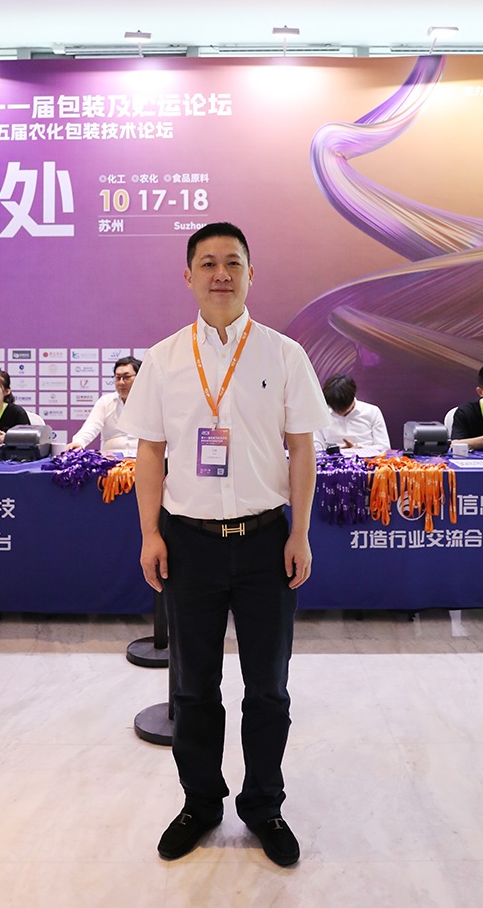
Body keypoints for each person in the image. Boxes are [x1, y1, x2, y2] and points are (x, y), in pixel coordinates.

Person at [120, 221, 330, 868]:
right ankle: (200, 803)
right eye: (207, 263)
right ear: (188, 276)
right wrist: (150, 533)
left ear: (250, 273)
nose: (220, 274)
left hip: (267, 542)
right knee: (192, 690)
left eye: (232, 262)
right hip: (191, 545)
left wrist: (300, 532)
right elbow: (149, 451)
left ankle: (264, 805)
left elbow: (302, 448)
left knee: (268, 688)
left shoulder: (284, 355)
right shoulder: (163, 359)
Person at [66, 356, 141, 453]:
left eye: (126, 377)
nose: (121, 382)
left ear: (139, 377)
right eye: (118, 377)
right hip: (111, 458)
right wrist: (79, 442)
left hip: (142, 457)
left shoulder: (152, 402)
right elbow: (92, 425)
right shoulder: (105, 401)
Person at [313, 372, 390, 451]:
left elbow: (384, 447)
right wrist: (335, 451)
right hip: (332, 458)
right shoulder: (321, 415)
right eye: (335, 408)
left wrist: (360, 450)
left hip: (367, 457)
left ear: (353, 397)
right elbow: (316, 449)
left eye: (343, 408)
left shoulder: (372, 412)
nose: (339, 412)